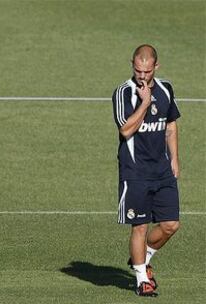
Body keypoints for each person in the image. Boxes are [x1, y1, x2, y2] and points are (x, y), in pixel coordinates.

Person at [112, 44, 181, 297]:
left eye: (147, 71)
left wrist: (175, 159)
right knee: (139, 226)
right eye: (138, 70)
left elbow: (171, 125)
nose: (142, 76)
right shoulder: (123, 93)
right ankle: (142, 280)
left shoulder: (166, 89)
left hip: (162, 171)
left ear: (156, 67)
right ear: (132, 64)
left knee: (171, 225)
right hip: (135, 172)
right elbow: (126, 130)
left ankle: (142, 257)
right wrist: (144, 103)